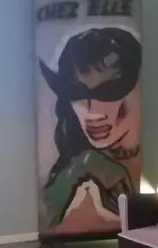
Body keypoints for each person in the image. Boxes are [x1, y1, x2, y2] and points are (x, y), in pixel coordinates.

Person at [39, 27, 142, 228]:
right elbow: (46, 217)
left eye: (109, 92)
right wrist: (84, 166)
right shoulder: (75, 166)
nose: (91, 112)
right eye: (76, 93)